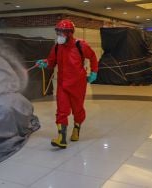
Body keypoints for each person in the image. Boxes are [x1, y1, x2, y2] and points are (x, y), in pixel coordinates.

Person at [36, 19, 98, 149]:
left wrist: (94, 72)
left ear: (69, 33)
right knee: (61, 111)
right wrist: (45, 63)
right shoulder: (57, 47)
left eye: (62, 32)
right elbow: (51, 62)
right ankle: (62, 138)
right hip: (63, 84)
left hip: (78, 84)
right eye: (58, 32)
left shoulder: (81, 45)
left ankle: (76, 128)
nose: (59, 35)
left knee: (78, 109)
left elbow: (92, 57)